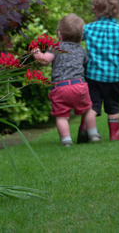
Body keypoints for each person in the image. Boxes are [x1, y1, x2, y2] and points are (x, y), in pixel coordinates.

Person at [77, 0, 119, 143]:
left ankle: (85, 129)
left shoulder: (88, 28)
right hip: (113, 77)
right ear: (116, 9)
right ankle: (115, 135)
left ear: (95, 8)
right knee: (113, 107)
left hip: (92, 76)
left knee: (92, 106)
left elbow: (75, 41)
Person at [34, 13, 102, 147]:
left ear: (60, 34)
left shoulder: (56, 47)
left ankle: (66, 141)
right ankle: (93, 134)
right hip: (79, 86)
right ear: (81, 37)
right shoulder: (81, 50)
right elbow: (85, 63)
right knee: (88, 109)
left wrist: (36, 52)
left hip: (60, 87)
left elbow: (44, 61)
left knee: (62, 116)